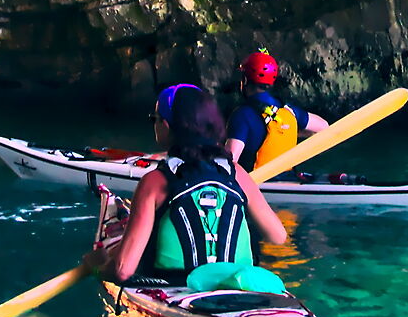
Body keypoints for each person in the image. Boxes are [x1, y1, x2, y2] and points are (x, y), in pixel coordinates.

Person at [112, 84, 289, 293]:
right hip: (239, 289)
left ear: (167, 125)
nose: (155, 124)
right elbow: (278, 236)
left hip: (175, 289)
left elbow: (123, 271)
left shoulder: (154, 182)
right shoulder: (236, 173)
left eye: (155, 118)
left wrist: (95, 266)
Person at [228, 48, 329, 172]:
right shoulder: (288, 110)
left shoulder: (242, 115)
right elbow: (324, 127)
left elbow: (229, 162)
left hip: (256, 185)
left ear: (245, 80)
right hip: (289, 180)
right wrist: (290, 133)